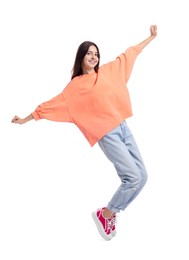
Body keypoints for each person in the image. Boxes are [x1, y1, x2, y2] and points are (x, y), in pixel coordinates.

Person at [11, 25, 157, 241]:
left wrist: (151, 37)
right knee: (132, 177)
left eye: (96, 53)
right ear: (80, 57)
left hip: (123, 128)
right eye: (89, 53)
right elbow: (49, 106)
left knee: (142, 176)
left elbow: (130, 54)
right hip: (107, 135)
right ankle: (106, 213)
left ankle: (111, 213)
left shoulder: (107, 71)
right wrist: (25, 119)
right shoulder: (74, 88)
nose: (94, 56)